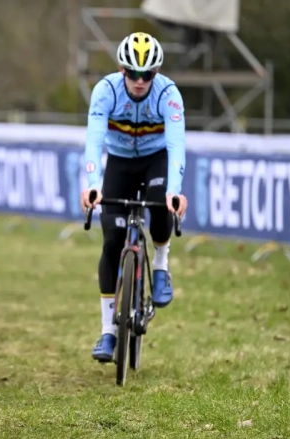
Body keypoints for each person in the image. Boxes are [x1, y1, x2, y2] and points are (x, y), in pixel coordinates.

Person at [82, 32, 188, 363]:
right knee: (112, 240)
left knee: (160, 209)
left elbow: (176, 147)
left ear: (156, 73)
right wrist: (91, 183)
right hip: (119, 162)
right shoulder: (106, 91)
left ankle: (160, 264)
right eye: (132, 73)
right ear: (121, 69)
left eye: (147, 74)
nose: (140, 81)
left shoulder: (169, 94)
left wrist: (174, 191)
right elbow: (93, 141)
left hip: (155, 160)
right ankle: (108, 332)